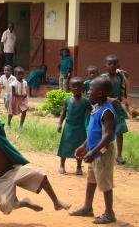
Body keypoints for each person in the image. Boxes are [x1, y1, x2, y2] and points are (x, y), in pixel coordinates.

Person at [0, 90, 70, 216]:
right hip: (0, 179)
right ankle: (23, 202)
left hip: (13, 171)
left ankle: (56, 202)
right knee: (5, 208)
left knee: (40, 174)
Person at [70, 77, 117, 224]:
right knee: (91, 179)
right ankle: (87, 207)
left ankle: (109, 213)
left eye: (90, 90)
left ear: (101, 93)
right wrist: (84, 146)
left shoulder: (106, 111)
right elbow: (93, 132)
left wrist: (94, 151)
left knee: (105, 182)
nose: (87, 92)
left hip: (103, 153)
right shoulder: (97, 107)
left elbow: (108, 136)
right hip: (95, 152)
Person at [57, 77, 91, 175]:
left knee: (80, 147)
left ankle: (79, 166)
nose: (76, 89)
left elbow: (92, 112)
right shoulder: (67, 100)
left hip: (80, 128)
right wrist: (59, 124)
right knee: (64, 146)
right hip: (68, 127)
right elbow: (63, 113)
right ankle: (62, 165)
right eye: (74, 87)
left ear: (83, 88)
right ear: (70, 88)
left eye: (79, 87)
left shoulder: (85, 101)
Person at [101, 54, 128, 165]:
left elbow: (125, 86)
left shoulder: (119, 77)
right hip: (106, 108)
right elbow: (99, 93)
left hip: (117, 107)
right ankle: (103, 152)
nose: (112, 65)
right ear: (105, 65)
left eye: (115, 63)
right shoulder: (103, 77)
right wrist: (108, 99)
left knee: (120, 131)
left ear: (118, 65)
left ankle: (119, 155)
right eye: (110, 63)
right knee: (105, 131)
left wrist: (123, 75)